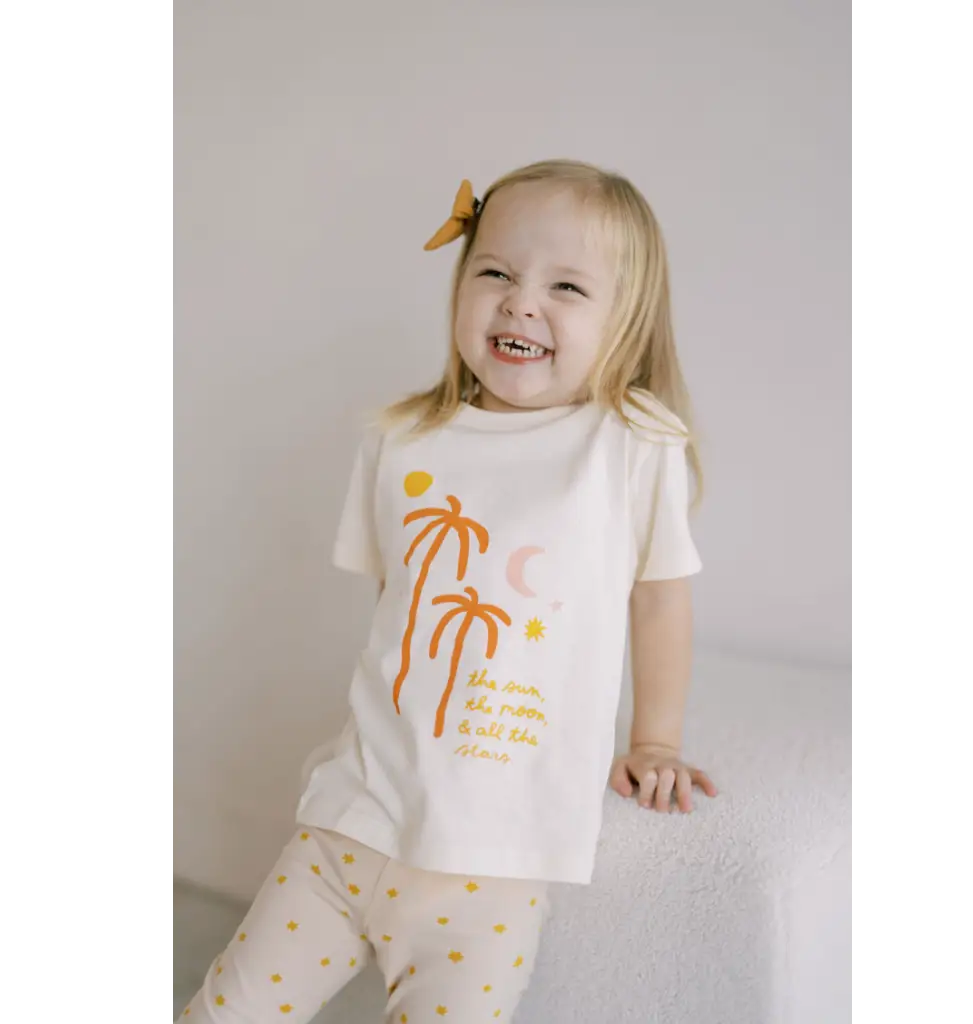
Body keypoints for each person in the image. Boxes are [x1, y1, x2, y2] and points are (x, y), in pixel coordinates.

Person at [176, 159, 718, 1023]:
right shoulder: (402, 438)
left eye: (567, 285)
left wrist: (654, 739)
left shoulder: (626, 446)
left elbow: (659, 597)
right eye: (495, 270)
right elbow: (401, 607)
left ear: (626, 319)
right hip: (350, 821)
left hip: (491, 866)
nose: (521, 301)